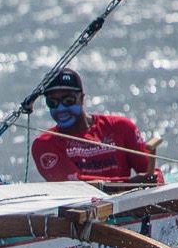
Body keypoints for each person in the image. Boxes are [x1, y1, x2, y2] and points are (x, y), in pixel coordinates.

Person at [30, 68, 163, 184]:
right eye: (52, 103)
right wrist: (128, 183)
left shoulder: (121, 127)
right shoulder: (44, 145)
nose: (61, 109)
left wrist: (155, 181)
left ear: (81, 99)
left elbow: (151, 173)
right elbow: (75, 185)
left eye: (68, 100)